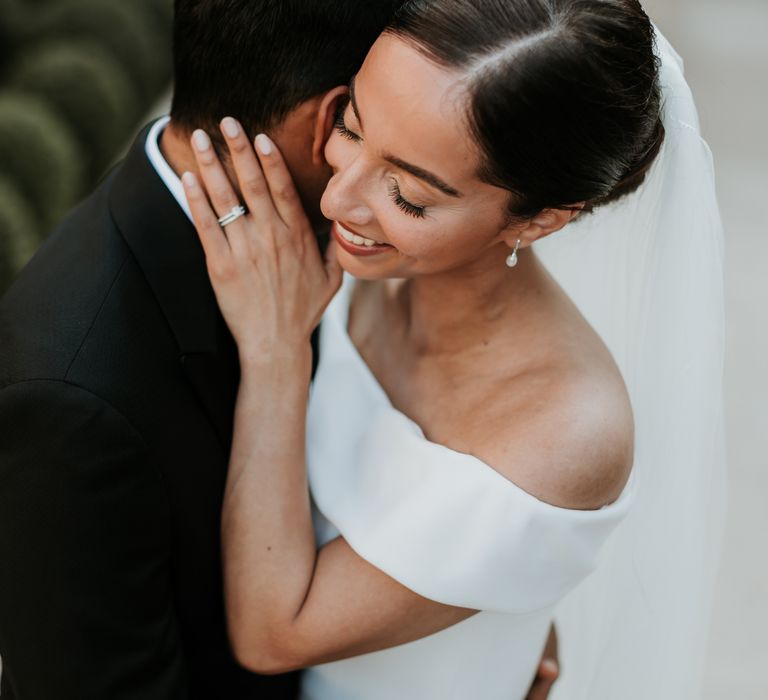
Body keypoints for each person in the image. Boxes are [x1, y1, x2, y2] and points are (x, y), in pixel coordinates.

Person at [180, 0, 726, 699]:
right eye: (352, 124)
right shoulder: (364, 256)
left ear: (538, 220)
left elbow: (273, 633)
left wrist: (276, 356)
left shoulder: (568, 435)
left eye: (407, 196)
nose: (336, 198)